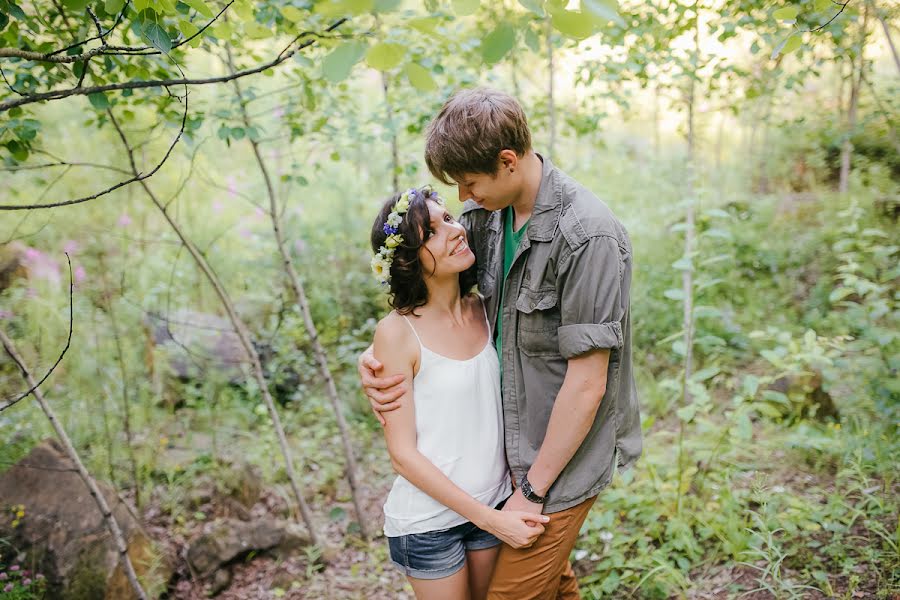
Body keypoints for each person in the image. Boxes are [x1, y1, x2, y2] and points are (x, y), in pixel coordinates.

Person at [360, 88, 642, 599]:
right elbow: (430, 316)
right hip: (503, 471)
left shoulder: (588, 235)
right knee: (553, 583)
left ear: (507, 161)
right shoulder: (483, 221)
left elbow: (587, 382)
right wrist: (377, 361)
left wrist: (531, 492)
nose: (463, 198)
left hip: (555, 467)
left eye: (469, 182)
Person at [369, 186, 550, 600]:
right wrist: (489, 518)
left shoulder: (484, 309)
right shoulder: (396, 333)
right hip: (430, 523)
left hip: (495, 503)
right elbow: (402, 454)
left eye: (448, 218)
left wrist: (493, 515)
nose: (453, 231)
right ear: (407, 260)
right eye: (432, 231)